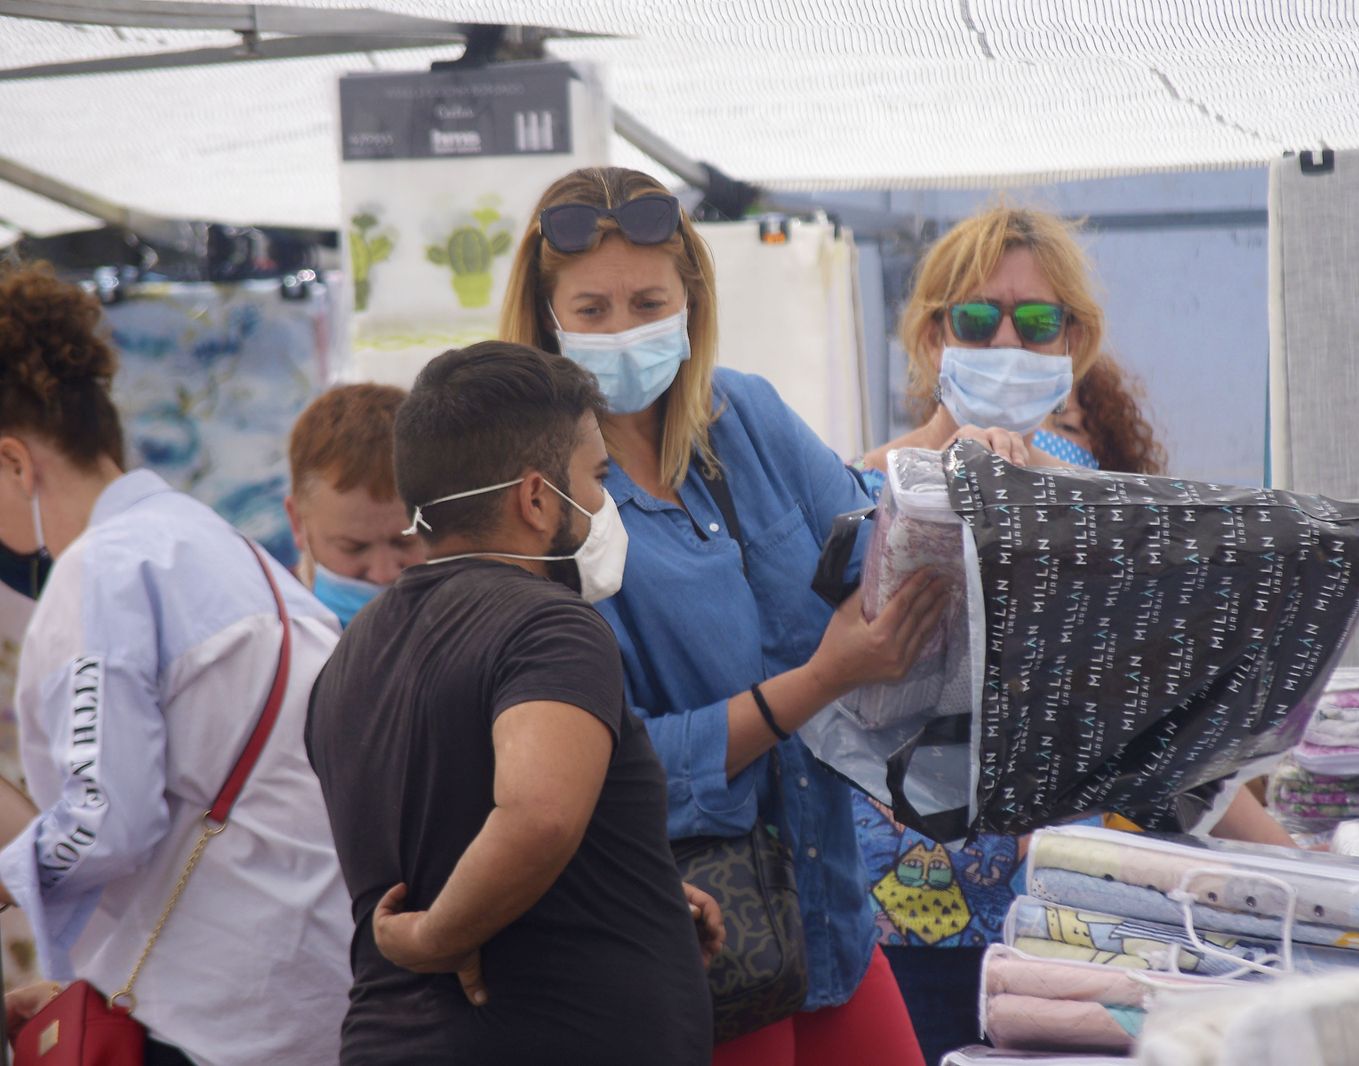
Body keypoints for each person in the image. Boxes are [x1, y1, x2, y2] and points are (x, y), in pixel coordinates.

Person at [501, 167, 945, 1066]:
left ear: (692, 301)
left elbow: (877, 546)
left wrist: (957, 485)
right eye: (591, 311)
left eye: (646, 301)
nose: (623, 331)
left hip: (831, 911)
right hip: (700, 940)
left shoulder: (745, 416)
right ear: (546, 320)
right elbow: (604, 766)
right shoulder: (541, 504)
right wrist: (822, 680)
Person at [855, 205, 1292, 1064]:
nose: (1006, 337)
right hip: (908, 906)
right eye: (977, 317)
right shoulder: (866, 482)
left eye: (1038, 319)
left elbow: (1142, 705)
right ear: (932, 333)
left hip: (1063, 899)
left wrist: (1291, 862)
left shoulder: (1092, 485)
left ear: (1073, 341)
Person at [305, 341, 718, 1065]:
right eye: (595, 478)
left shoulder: (353, 651)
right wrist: (440, 939)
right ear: (535, 498)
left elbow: (447, 828)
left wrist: (637, 893)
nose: (606, 503)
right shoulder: (550, 626)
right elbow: (537, 816)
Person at [0, 261, 351, 1064]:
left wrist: (6, 874)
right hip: (313, 983)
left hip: (220, 1017)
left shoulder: (102, 572)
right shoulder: (224, 548)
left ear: (17, 462)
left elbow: (103, 825)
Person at [285, 382, 424, 625]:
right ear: (297, 522)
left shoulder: (483, 629)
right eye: (353, 547)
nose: (383, 574)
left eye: (405, 541)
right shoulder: (266, 643)